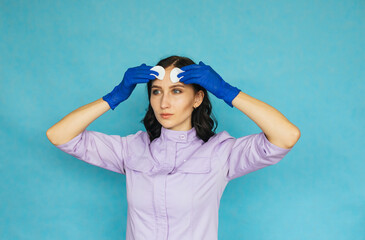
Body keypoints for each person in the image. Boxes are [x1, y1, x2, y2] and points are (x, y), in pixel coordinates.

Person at [46, 55, 300, 240]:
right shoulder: (132, 148)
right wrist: (114, 97)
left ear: (197, 98)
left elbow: (286, 136)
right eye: (156, 92)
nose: (164, 102)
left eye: (176, 91)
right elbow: (59, 135)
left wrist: (227, 91)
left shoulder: (221, 152)